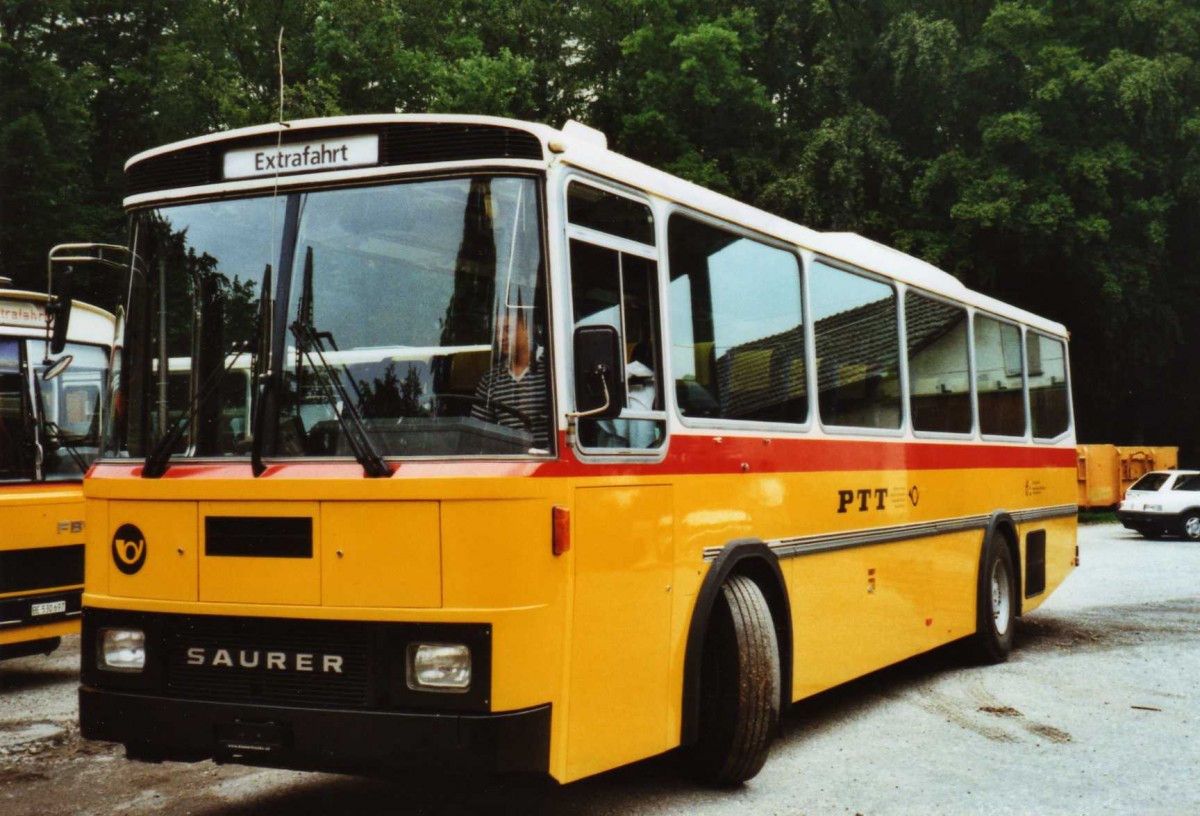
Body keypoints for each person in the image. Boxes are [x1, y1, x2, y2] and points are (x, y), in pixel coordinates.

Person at [471, 306, 551, 451]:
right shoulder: (490, 379)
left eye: (508, 329)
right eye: (497, 331)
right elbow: (478, 435)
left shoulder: (553, 369)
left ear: (529, 328)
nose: (500, 337)